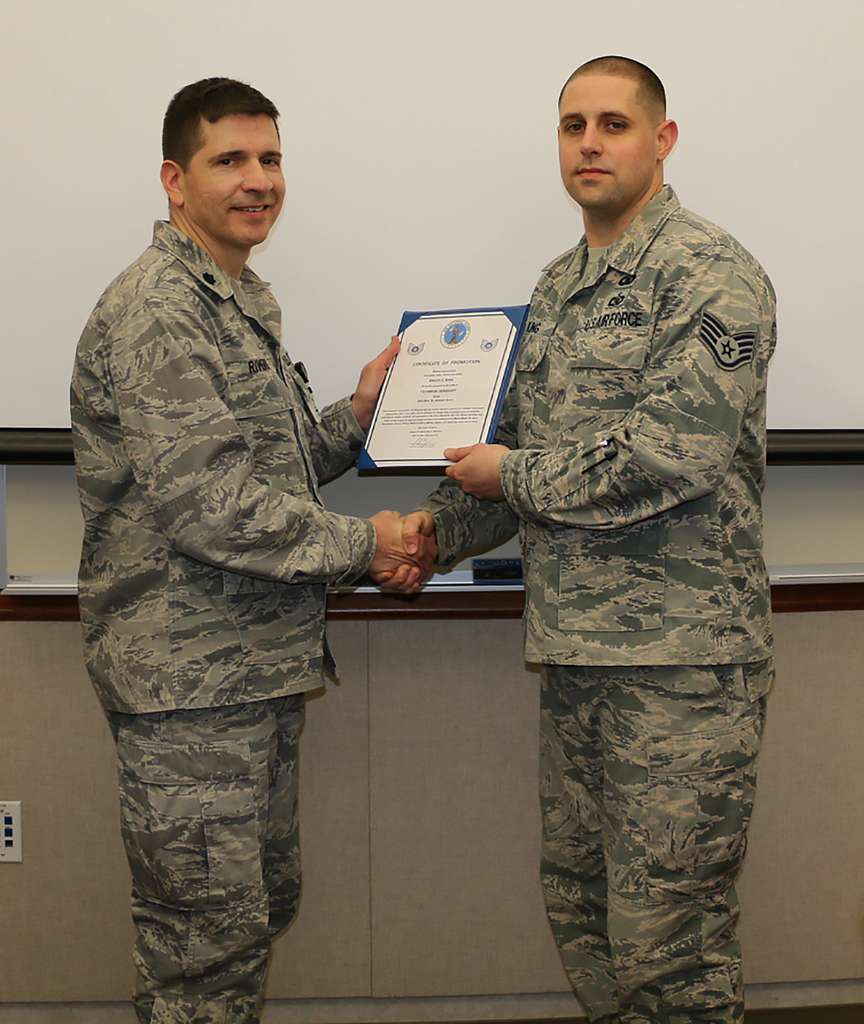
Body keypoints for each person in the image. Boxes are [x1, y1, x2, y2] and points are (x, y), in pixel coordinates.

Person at [389, 56, 776, 1023]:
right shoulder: (558, 287)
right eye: (572, 127)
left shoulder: (712, 273)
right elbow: (513, 450)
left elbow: (669, 455)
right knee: (587, 917)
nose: (590, 144)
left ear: (663, 139)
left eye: (613, 124)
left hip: (681, 670)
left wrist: (506, 475)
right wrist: (434, 533)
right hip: (575, 661)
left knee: (671, 952)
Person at [70, 78, 427, 1023]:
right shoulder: (158, 311)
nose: (257, 180)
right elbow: (212, 508)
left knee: (244, 926)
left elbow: (266, 470)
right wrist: (371, 541)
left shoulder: (234, 296)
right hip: (189, 690)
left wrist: (355, 418)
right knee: (201, 956)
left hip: (245, 678)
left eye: (270, 159)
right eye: (230, 160)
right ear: (173, 181)